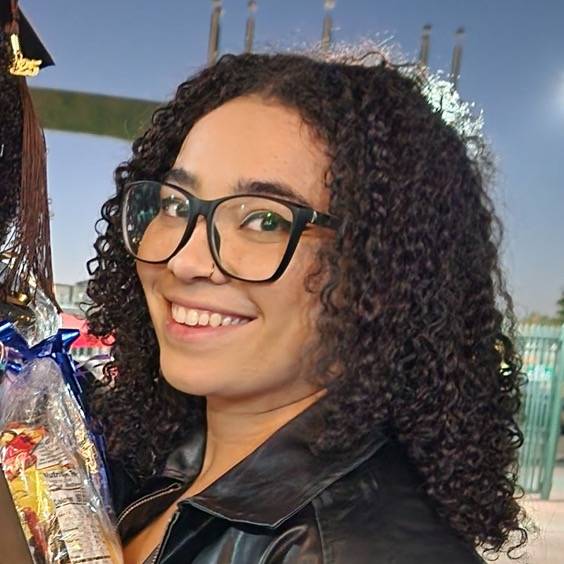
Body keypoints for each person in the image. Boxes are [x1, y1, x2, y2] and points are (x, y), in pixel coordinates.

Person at [85, 51, 529, 563]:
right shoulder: (153, 468)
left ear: (379, 270)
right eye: (174, 204)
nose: (184, 261)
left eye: (265, 220)